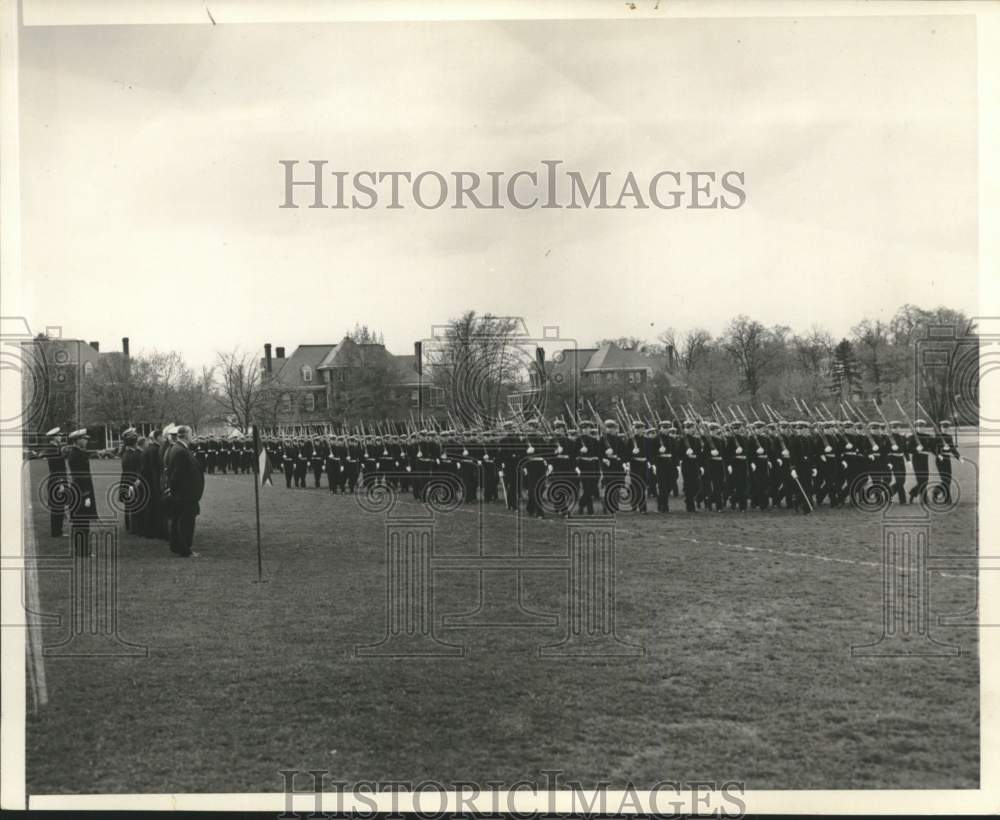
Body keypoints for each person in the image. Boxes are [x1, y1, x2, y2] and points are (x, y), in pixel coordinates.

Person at [166, 425, 205, 558]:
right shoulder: (180, 451)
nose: (192, 435)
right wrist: (181, 493)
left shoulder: (179, 448)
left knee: (180, 521)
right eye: (191, 433)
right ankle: (185, 549)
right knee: (185, 523)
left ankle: (177, 546)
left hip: (184, 494)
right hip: (185, 495)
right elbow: (177, 474)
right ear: (186, 435)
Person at [66, 428, 97, 541]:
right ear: (77, 440)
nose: (86, 441)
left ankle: (83, 550)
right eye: (84, 439)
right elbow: (80, 477)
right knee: (81, 522)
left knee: (82, 522)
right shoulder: (77, 455)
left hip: (79, 491)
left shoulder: (79, 453)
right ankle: (82, 551)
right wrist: (86, 495)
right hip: (80, 492)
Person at [138, 429, 167, 539]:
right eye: (162, 437)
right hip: (154, 483)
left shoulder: (147, 449)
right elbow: (157, 469)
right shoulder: (156, 450)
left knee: (150, 507)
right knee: (156, 508)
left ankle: (149, 531)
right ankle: (155, 531)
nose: (163, 439)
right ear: (158, 437)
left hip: (147, 482)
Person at [42, 427, 69, 537]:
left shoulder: (55, 448)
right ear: (53, 438)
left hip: (57, 480)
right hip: (57, 481)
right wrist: (61, 483)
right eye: (58, 436)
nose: (60, 437)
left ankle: (58, 531)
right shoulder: (53, 450)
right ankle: (56, 532)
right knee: (57, 507)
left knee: (58, 506)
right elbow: (56, 468)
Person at [119, 428, 143, 533]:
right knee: (133, 505)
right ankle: (134, 527)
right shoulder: (131, 454)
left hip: (128, 481)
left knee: (130, 505)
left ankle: (131, 526)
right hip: (131, 482)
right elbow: (133, 470)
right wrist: (133, 484)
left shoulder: (127, 453)